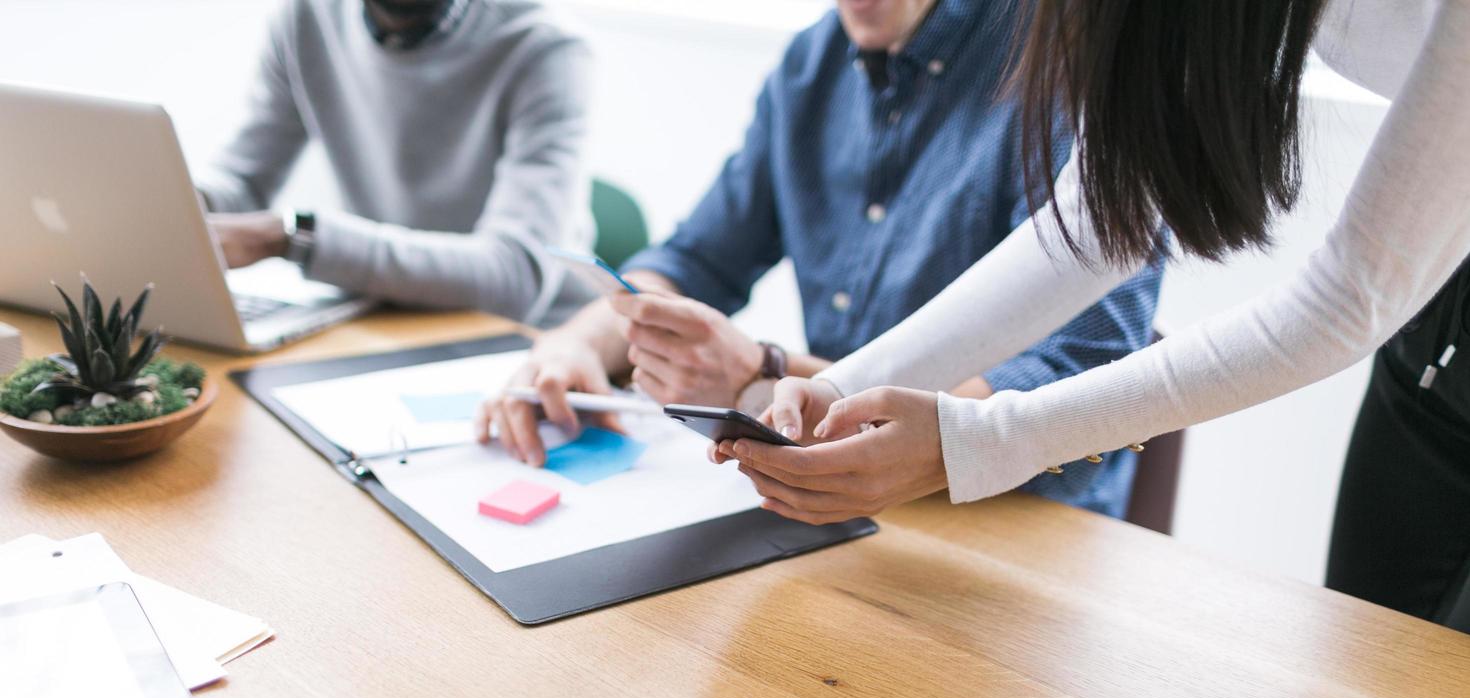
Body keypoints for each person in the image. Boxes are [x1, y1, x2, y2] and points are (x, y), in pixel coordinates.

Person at [730, 0, 1470, 630]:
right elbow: (1094, 226)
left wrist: (978, 441)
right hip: (1435, 331)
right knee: (1372, 674)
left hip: (1410, 283)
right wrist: (845, 387)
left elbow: (1348, 302)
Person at [480, 0, 1162, 519]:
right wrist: (578, 344)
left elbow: (1073, 389)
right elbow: (696, 258)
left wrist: (763, 379)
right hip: (832, 508)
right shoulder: (813, 63)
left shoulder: (1066, 61)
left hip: (1014, 533)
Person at [197, 0, 596, 327]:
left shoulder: (547, 45)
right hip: (383, 315)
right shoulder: (307, 16)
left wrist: (292, 236)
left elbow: (515, 276)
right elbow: (243, 181)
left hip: (528, 343)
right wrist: (176, 201)